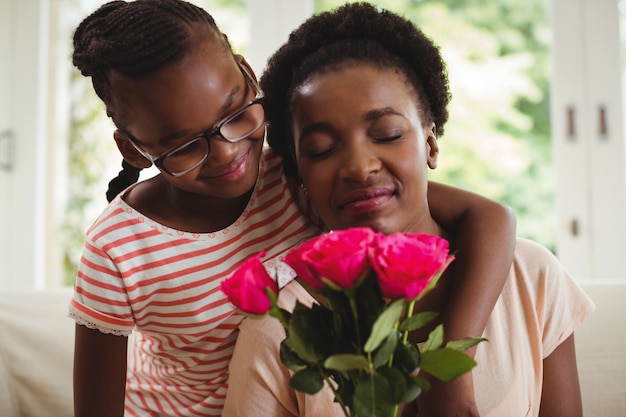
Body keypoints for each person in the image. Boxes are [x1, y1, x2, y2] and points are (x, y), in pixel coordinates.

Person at [68, 1, 516, 416]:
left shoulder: (295, 174)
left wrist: (452, 368)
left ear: (247, 74)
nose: (226, 153)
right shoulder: (117, 251)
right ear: (133, 149)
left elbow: (490, 217)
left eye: (234, 113)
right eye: (185, 146)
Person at [222, 3, 595, 417]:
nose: (360, 167)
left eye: (387, 134)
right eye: (322, 149)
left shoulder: (531, 278)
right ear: (299, 184)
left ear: (431, 144)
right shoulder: (280, 329)